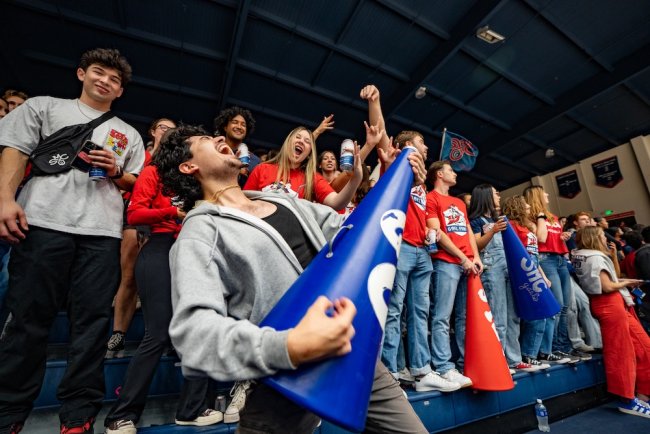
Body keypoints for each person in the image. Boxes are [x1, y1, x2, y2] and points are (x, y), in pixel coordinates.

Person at [155, 124, 428, 434]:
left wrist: (394, 180)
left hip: (348, 357)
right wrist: (291, 346)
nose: (219, 138)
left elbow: (359, 236)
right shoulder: (200, 233)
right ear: (189, 166)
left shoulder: (286, 202)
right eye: (206, 139)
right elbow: (194, 336)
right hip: (281, 380)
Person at [0, 48, 145, 434]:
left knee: (92, 325)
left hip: (101, 233)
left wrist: (117, 172)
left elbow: (135, 180)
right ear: (81, 73)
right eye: (99, 72)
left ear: (120, 91)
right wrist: (5, 201)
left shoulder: (128, 133)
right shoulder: (44, 108)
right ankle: (9, 414)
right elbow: (14, 151)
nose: (106, 81)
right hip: (43, 222)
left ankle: (78, 417)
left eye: (115, 79)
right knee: (27, 320)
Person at [104, 126, 220, 433]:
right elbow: (136, 214)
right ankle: (121, 416)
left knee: (199, 330)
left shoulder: (200, 177)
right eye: (196, 142)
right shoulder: (154, 172)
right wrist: (173, 212)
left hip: (193, 252)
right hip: (160, 247)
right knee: (157, 333)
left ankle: (192, 410)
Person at [106, 117, 177, 358]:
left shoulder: (175, 164)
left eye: (171, 130)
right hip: (133, 217)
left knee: (158, 283)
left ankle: (155, 335)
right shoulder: (141, 156)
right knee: (129, 277)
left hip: (161, 227)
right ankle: (118, 335)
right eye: (163, 127)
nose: (167, 132)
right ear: (153, 131)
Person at [572, 226, 650, 418]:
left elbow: (610, 275)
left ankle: (640, 395)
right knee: (621, 352)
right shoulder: (595, 258)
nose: (606, 239)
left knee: (642, 347)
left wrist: (613, 256)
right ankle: (628, 400)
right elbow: (608, 286)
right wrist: (628, 282)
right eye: (601, 235)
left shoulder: (581, 254)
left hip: (609, 304)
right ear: (593, 238)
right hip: (610, 303)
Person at [426, 161, 482, 387]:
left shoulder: (459, 201)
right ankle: (443, 366)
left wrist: (475, 256)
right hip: (447, 263)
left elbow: (468, 230)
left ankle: (464, 363)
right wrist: (463, 258)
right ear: (439, 174)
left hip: (467, 264)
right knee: (441, 317)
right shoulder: (431, 198)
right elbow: (437, 232)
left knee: (463, 318)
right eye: (450, 170)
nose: (454, 173)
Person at [468, 185, 536, 372]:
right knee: (498, 317)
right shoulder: (475, 220)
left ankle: (514, 359)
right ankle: (500, 360)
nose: (499, 195)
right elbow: (477, 245)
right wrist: (493, 230)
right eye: (495, 192)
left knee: (512, 316)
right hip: (491, 270)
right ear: (485, 195)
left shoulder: (496, 218)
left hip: (507, 269)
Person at [244, 123, 375, 211]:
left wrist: (356, 178)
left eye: (307, 141)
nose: (301, 141)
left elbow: (337, 202)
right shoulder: (262, 169)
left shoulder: (312, 178)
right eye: (298, 137)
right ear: (287, 142)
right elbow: (244, 202)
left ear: (308, 153)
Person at [523, 186, 577, 364]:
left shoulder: (552, 216)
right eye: (544, 192)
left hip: (560, 258)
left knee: (566, 306)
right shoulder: (531, 216)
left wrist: (564, 236)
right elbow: (541, 239)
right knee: (556, 305)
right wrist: (540, 219)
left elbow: (554, 237)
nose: (547, 194)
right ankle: (549, 348)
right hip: (545, 260)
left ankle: (561, 346)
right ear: (537, 195)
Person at [501, 196, 553, 369]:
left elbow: (534, 254)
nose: (529, 206)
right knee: (525, 315)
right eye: (525, 204)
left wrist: (543, 276)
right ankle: (523, 355)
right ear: (517, 206)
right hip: (522, 273)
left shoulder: (527, 225)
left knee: (542, 313)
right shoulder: (512, 226)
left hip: (534, 269)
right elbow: (516, 253)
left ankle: (530, 353)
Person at [213, 106, 259, 186]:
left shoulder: (255, 161)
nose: (239, 127)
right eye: (235, 122)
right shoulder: (212, 150)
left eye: (243, 125)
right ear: (225, 127)